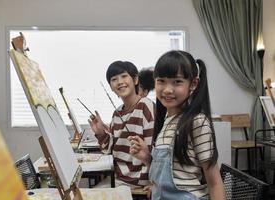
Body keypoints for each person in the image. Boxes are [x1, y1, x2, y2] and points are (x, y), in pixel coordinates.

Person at [129, 50, 225, 199]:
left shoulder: (197, 122)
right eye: (161, 81)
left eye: (177, 82)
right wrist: (147, 158)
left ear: (193, 84)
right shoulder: (166, 120)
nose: (168, 89)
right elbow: (174, 171)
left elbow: (215, 183)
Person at [88, 61, 155, 187]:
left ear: (135, 80)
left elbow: (153, 150)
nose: (119, 82)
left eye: (124, 76)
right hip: (119, 178)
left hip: (139, 181)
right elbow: (111, 150)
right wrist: (101, 134)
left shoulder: (146, 106)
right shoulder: (117, 113)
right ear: (111, 87)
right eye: (114, 79)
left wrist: (153, 182)